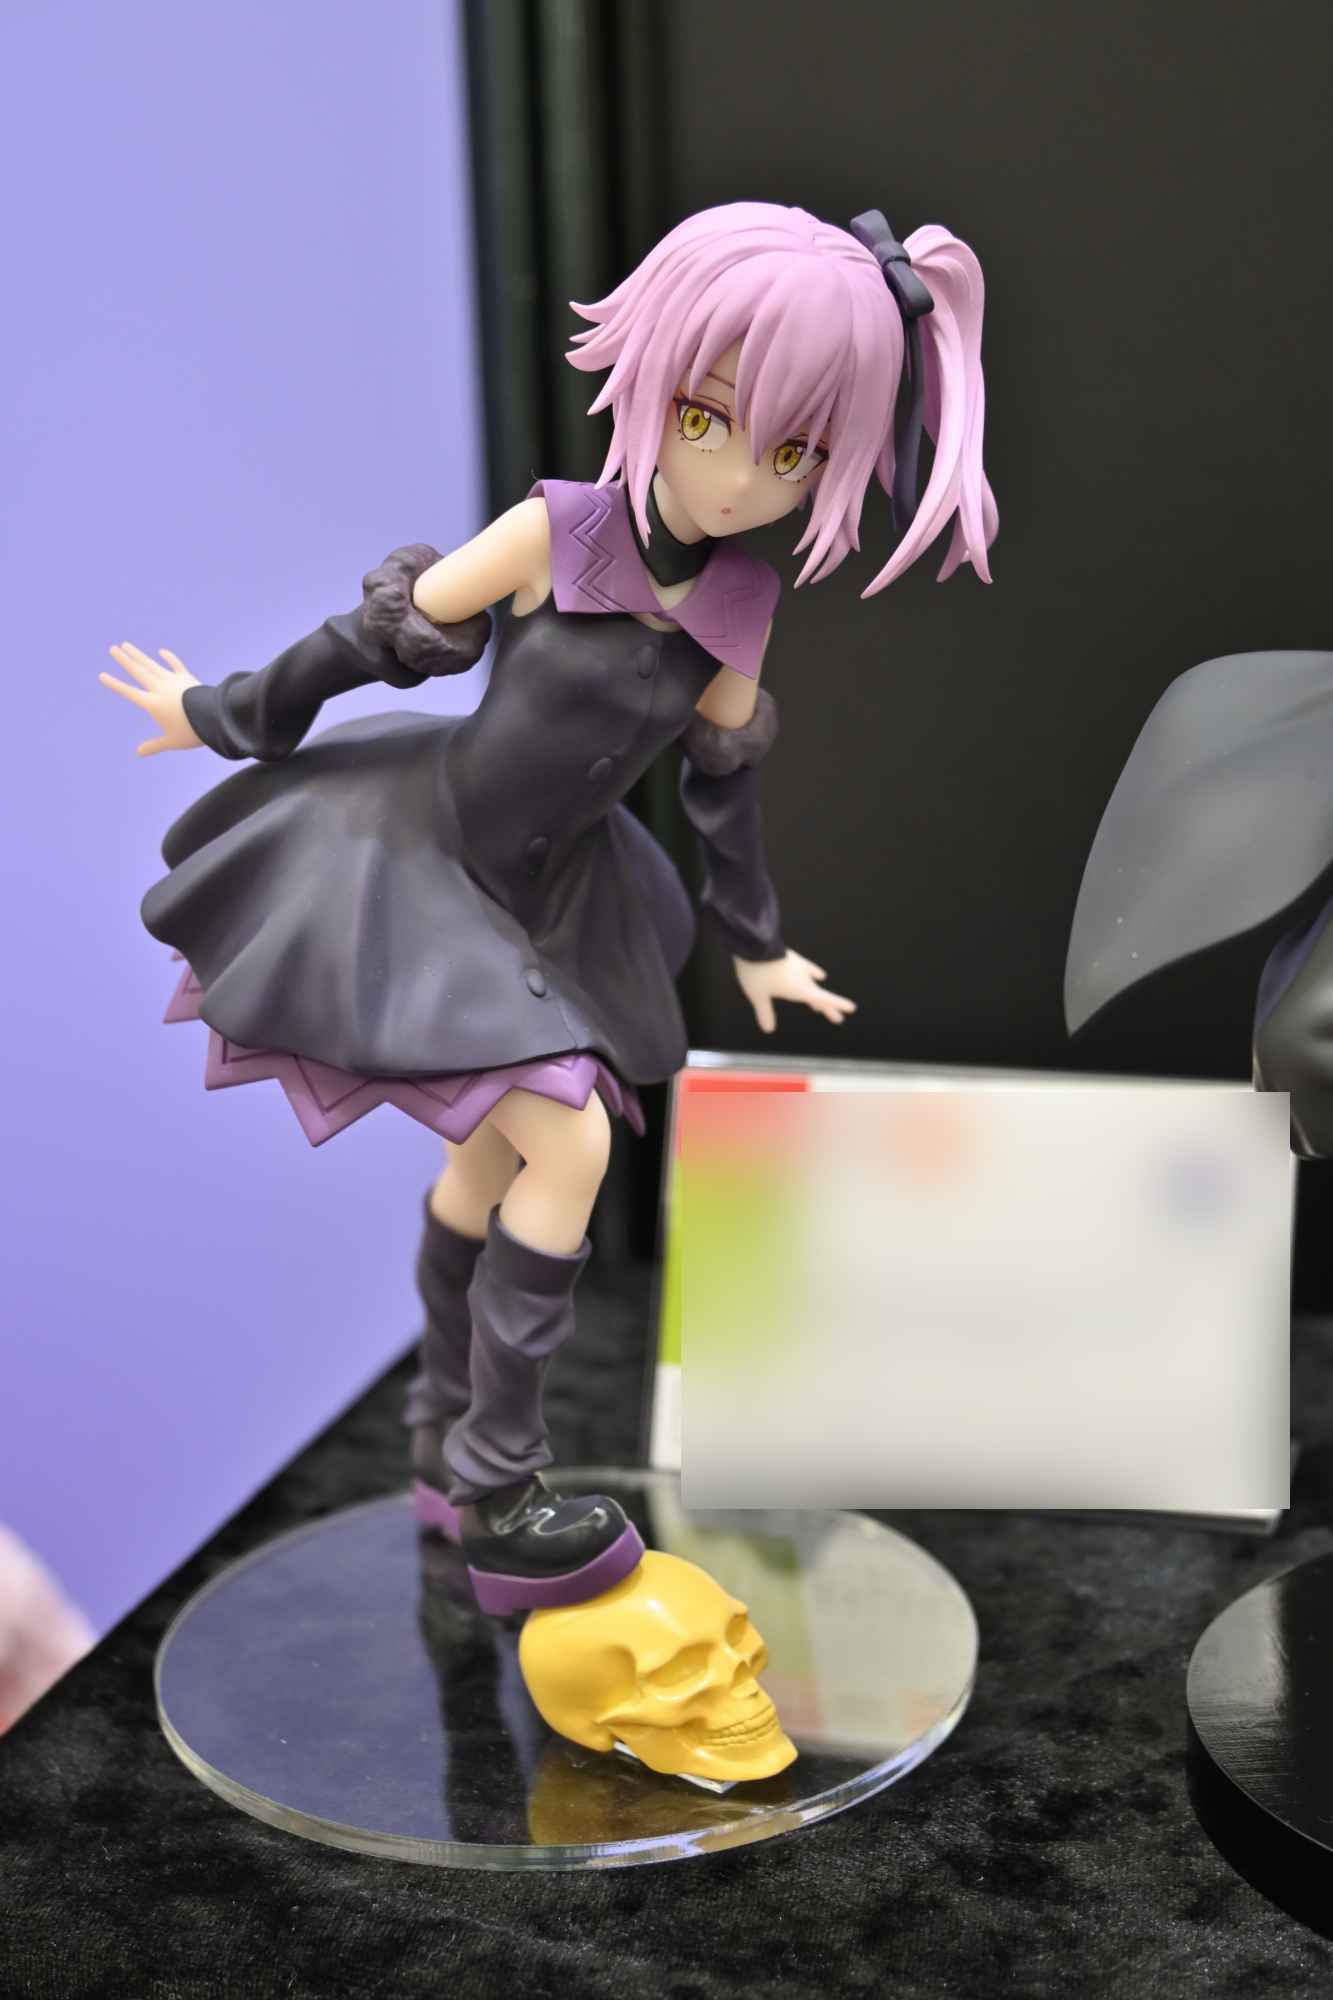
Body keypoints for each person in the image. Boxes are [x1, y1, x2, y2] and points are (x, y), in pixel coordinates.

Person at [101, 201, 996, 1611]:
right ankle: (500, 1488)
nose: (739, 477)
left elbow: (721, 783)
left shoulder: (739, 601)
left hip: (562, 892)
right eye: (708, 418)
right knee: (567, 1143)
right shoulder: (555, 531)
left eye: (795, 455)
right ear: (657, 388)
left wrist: (756, 943)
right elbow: (373, 644)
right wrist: (220, 713)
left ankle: (435, 1445)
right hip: (425, 856)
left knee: (486, 1165)